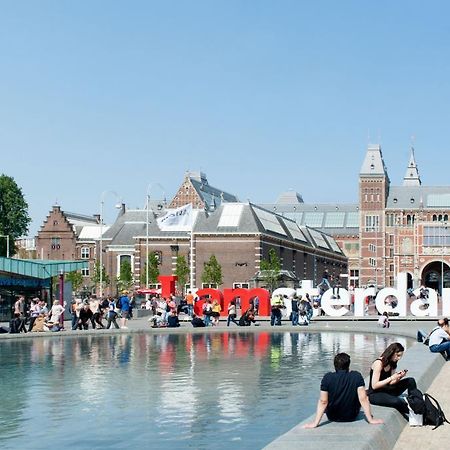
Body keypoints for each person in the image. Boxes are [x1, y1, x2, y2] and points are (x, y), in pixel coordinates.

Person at [303, 352, 383, 428]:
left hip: (332, 416)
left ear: (335, 366)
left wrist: (315, 423)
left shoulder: (327, 377)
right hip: (351, 416)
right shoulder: (356, 376)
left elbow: (323, 401)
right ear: (348, 365)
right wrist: (370, 420)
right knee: (362, 393)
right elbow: (363, 399)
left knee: (326, 397)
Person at [367, 342, 417, 418]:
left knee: (411, 380)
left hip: (388, 389)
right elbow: (374, 386)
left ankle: (415, 402)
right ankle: (414, 413)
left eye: (400, 356)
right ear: (392, 352)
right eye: (398, 355)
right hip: (375, 394)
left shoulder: (392, 363)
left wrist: (399, 377)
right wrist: (391, 378)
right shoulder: (379, 363)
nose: (399, 358)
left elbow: (391, 383)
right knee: (396, 401)